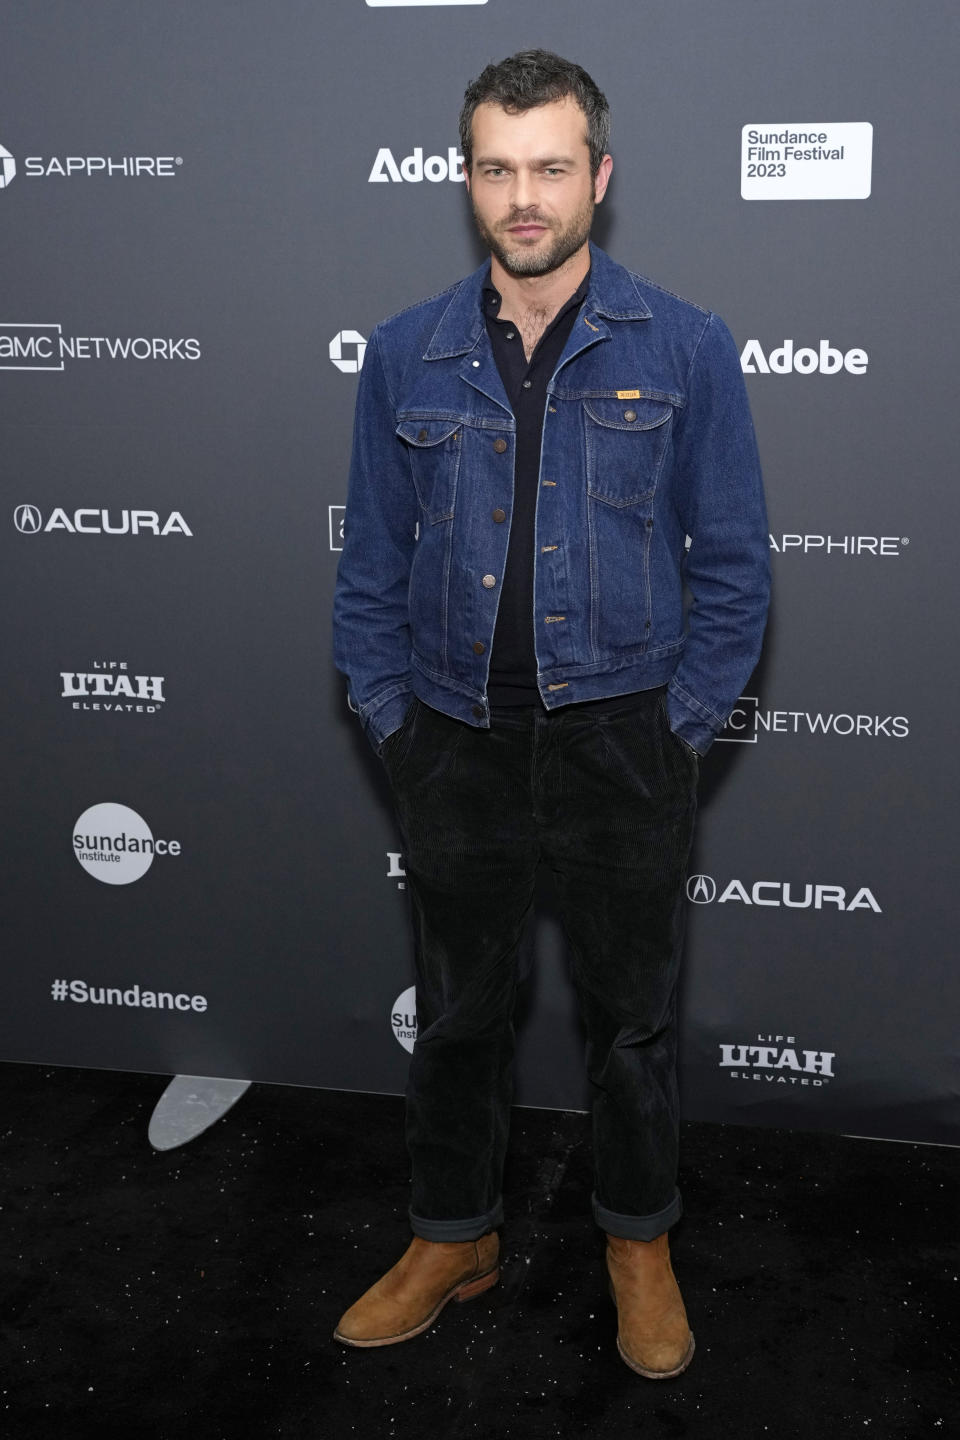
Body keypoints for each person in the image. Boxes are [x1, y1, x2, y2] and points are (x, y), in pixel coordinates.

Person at [332, 49, 769, 1379]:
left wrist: (671, 734)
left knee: (633, 1021)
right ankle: (453, 1233)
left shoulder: (685, 345)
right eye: (498, 167)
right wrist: (401, 729)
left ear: (601, 176)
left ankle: (637, 1242)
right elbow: (367, 580)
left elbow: (738, 572)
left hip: (619, 742)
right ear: (468, 181)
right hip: (453, 743)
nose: (525, 196)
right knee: (460, 1015)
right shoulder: (407, 351)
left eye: (551, 166)